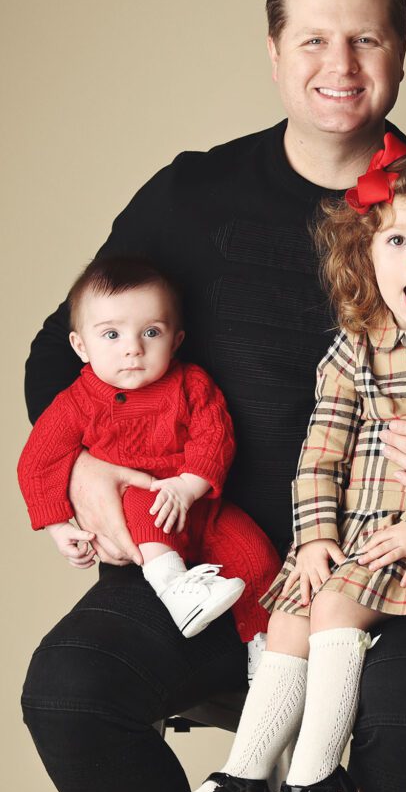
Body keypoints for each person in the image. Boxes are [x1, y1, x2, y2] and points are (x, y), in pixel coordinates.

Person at [21, 0, 406, 792]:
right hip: (213, 558)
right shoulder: (193, 195)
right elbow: (56, 350)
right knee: (71, 692)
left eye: (366, 41)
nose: (339, 67)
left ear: (400, 55)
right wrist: (79, 474)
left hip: (393, 575)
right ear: (273, 54)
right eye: (312, 41)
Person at [154, 145, 406, 792]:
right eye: (396, 241)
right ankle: (247, 774)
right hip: (356, 544)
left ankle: (318, 776)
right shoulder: (354, 347)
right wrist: (317, 536)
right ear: (367, 255)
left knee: (327, 603)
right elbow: (320, 451)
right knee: (291, 611)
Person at [18, 257, 281, 671]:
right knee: (145, 503)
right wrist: (57, 526)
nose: (132, 348)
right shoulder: (76, 402)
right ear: (80, 346)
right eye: (111, 334)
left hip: (198, 506)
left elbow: (215, 434)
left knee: (257, 556)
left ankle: (265, 651)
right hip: (141, 512)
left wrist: (190, 485)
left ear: (176, 340)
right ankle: (177, 590)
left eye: (151, 332)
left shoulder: (190, 383)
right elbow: (38, 461)